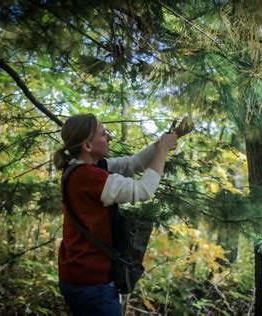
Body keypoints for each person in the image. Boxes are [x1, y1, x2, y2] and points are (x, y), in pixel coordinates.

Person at [53, 113, 178, 316]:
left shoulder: (82, 169)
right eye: (103, 134)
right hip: (92, 284)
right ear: (87, 145)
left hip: (82, 277)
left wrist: (163, 142)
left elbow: (134, 163)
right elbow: (143, 190)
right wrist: (163, 150)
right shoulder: (88, 176)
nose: (109, 138)